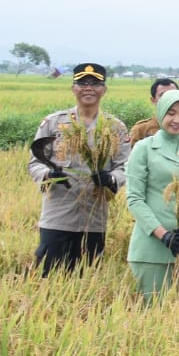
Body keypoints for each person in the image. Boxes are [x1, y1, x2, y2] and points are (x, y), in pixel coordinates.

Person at [27, 62, 129, 275]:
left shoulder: (115, 128)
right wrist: (48, 174)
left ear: (104, 89)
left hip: (94, 218)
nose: (88, 87)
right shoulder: (54, 123)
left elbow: (124, 166)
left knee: (87, 278)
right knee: (48, 276)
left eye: (95, 83)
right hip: (57, 216)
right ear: (73, 88)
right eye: (82, 83)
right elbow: (35, 163)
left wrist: (111, 179)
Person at [124, 90, 179, 298]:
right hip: (151, 248)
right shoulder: (143, 148)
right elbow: (135, 199)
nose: (177, 119)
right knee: (153, 314)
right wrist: (162, 234)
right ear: (161, 112)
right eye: (171, 113)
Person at [127, 76, 179, 144]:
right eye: (163, 95)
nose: (168, 98)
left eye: (173, 94)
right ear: (153, 100)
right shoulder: (141, 130)